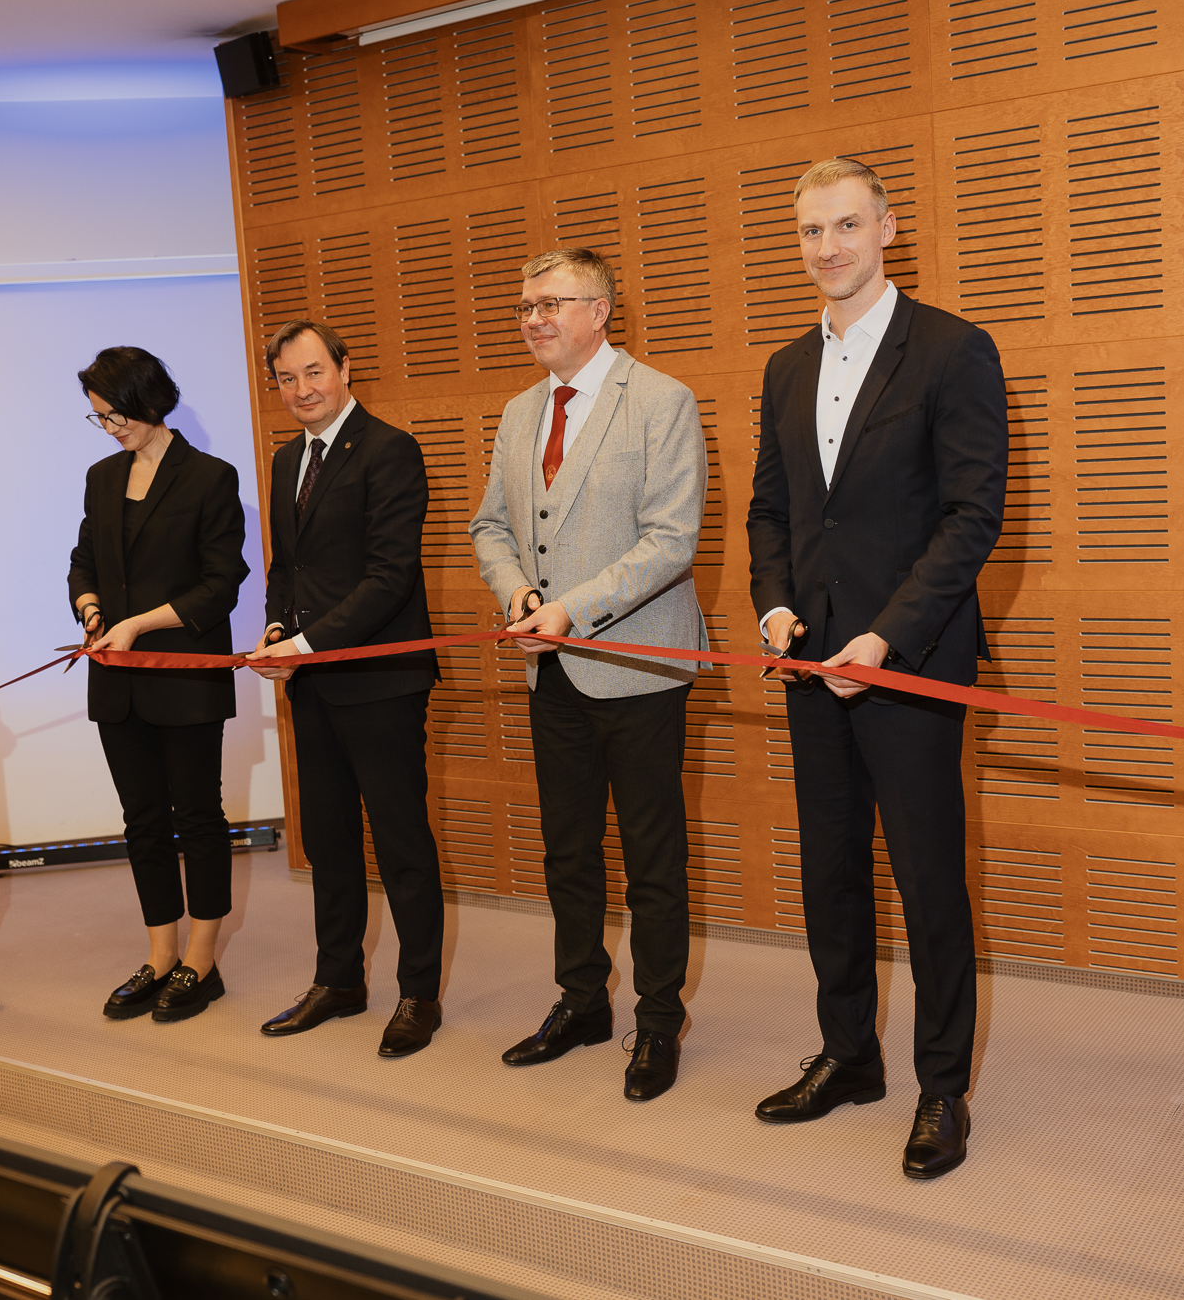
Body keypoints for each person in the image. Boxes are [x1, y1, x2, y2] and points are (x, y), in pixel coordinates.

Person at [744, 158, 1008, 1179]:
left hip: (910, 666)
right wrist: (776, 606)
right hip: (809, 664)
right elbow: (773, 511)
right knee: (831, 872)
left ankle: (942, 1087)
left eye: (846, 225)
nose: (828, 248)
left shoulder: (951, 349)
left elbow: (970, 516)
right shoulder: (784, 368)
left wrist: (886, 637)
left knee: (928, 882)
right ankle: (849, 1054)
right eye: (811, 231)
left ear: (888, 227)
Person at [469, 246, 708, 1102]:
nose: (534, 319)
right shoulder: (518, 411)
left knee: (652, 859)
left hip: (638, 667)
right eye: (525, 305)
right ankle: (581, 1000)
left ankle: (658, 1018)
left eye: (551, 303)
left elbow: (671, 539)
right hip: (551, 674)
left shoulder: (661, 400)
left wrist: (571, 608)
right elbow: (491, 526)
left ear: (600, 310)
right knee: (567, 850)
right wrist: (519, 595)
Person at [248, 320, 446, 1057]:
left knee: (400, 842)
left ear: (344, 367)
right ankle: (338, 980)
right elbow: (287, 568)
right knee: (328, 840)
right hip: (312, 684)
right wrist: (277, 627)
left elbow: (390, 577)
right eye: (287, 379)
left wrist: (303, 645)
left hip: (380, 681)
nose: (302, 390)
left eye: (313, 372)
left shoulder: (391, 449)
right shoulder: (284, 460)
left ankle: (418, 993)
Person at [68, 346, 250, 1024]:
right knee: (142, 820)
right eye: (99, 417)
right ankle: (160, 953)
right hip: (116, 681)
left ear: (150, 401)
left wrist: (138, 624)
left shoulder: (209, 477)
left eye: (115, 415)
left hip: (185, 676)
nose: (109, 428)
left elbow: (221, 585)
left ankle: (202, 959)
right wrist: (91, 610)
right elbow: (83, 560)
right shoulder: (101, 476)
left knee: (197, 817)